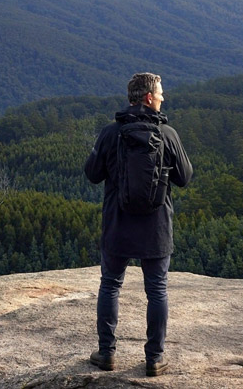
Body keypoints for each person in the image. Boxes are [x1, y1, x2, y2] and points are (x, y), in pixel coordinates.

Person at [84, 72, 193, 377]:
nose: (162, 98)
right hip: (155, 228)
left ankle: (106, 354)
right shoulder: (168, 134)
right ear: (148, 98)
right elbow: (185, 177)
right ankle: (155, 358)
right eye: (160, 94)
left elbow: (92, 174)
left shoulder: (110, 133)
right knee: (156, 291)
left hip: (118, 225)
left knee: (110, 285)